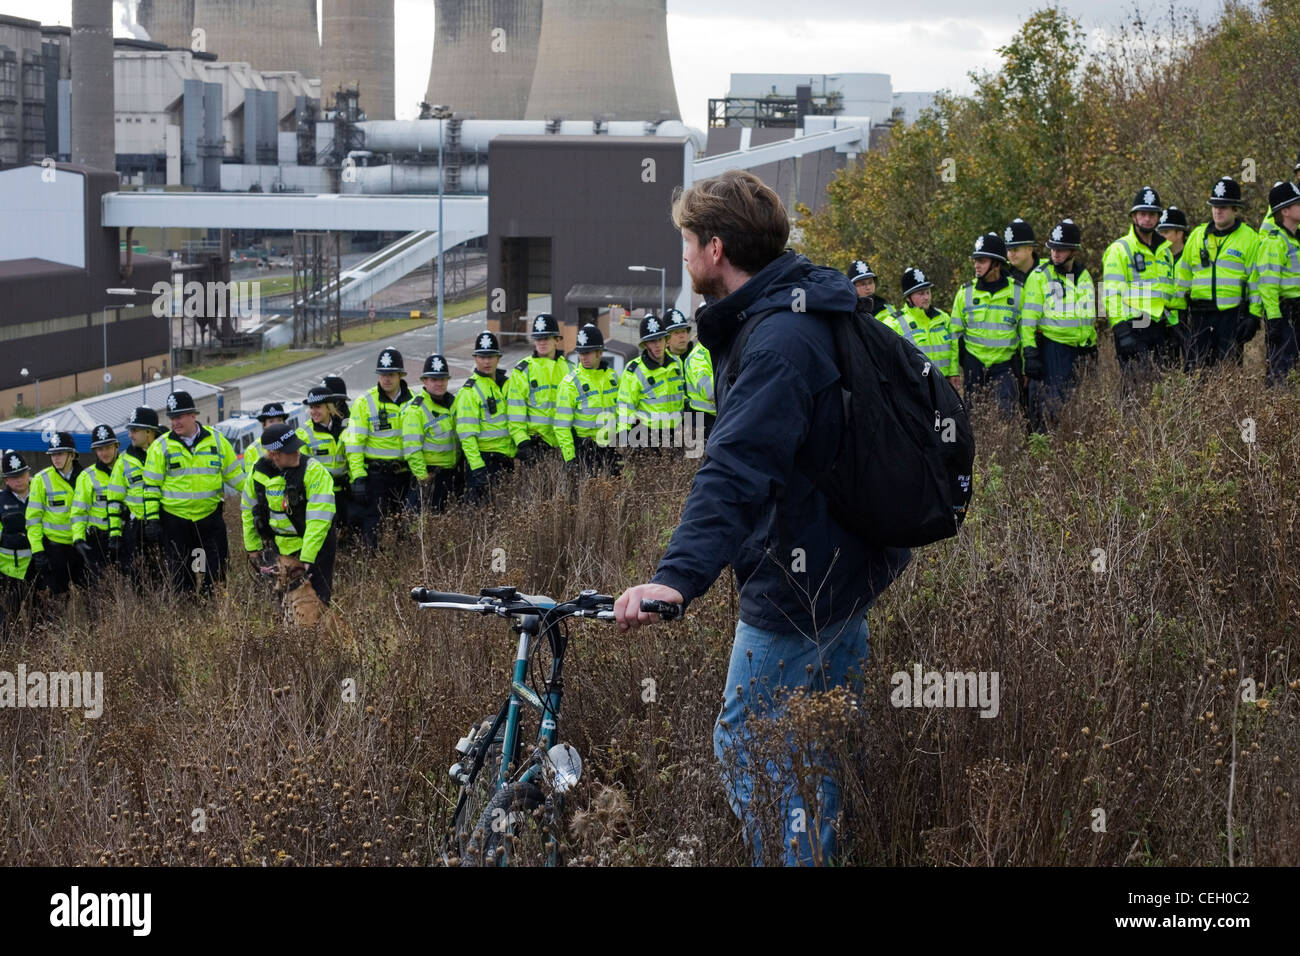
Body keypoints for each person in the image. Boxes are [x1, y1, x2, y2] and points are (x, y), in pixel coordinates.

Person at [614, 169, 908, 867]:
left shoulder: (776, 342)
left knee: (750, 741)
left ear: (716, 249)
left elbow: (737, 469)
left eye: (687, 244)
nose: (683, 260)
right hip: (844, 567)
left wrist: (675, 578)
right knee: (816, 745)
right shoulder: (802, 309)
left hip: (799, 578)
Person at [142, 391, 241, 594]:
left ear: (192, 415)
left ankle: (209, 606)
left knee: (213, 569)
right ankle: (187, 611)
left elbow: (236, 477)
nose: (175, 422)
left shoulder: (217, 441)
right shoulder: (160, 447)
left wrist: (258, 493)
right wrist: (152, 519)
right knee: (181, 574)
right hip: (176, 523)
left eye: (179, 417)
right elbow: (151, 486)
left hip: (208, 521)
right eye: (172, 418)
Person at [243, 423, 338, 615]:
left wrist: (307, 558)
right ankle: (291, 642)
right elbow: (247, 508)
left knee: (316, 604)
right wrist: (252, 547)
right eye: (290, 450)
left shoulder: (313, 471)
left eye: (297, 447)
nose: (297, 453)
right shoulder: (258, 472)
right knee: (284, 606)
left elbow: (318, 520)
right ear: (274, 454)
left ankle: (319, 643)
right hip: (280, 549)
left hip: (314, 547)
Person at [1174, 177, 1260, 369]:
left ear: (1235, 209)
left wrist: (1253, 317)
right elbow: (1183, 278)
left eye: (1224, 206)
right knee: (1195, 373)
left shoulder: (1249, 238)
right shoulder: (1197, 235)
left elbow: (1256, 282)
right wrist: (1178, 315)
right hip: (1199, 317)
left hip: (1231, 317)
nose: (1218, 210)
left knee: (1227, 373)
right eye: (1215, 206)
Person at [1024, 219, 1098, 429]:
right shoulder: (1039, 276)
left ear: (1074, 251)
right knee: (1053, 406)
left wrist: (1092, 345)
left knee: (1079, 403)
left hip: (1080, 350)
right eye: (1053, 248)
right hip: (1053, 349)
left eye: (1061, 249)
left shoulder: (1084, 276)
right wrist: (1030, 353)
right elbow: (1028, 320)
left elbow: (1087, 315)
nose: (1055, 253)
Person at [1102, 186, 1180, 383]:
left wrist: (1174, 325)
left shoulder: (1165, 251)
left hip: (1160, 328)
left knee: (1161, 390)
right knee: (1136, 390)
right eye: (1143, 214)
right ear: (1134, 216)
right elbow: (1112, 294)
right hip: (1133, 327)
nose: (1148, 219)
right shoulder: (1119, 249)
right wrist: (1121, 329)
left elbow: (1168, 292)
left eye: (1152, 214)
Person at [949, 231, 1025, 416]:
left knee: (1007, 415)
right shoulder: (965, 293)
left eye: (982, 261)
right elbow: (954, 334)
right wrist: (954, 371)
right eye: (976, 261)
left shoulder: (1017, 292)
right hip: (974, 364)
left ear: (997, 264)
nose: (976, 265)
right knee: (973, 416)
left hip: (1005, 366)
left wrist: (1025, 369)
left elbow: (1025, 333)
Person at [346, 347, 414, 548]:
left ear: (400, 375)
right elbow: (354, 442)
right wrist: (357, 476)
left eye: (391, 374)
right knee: (372, 527)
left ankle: (405, 567)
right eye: (382, 374)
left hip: (405, 475)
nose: (386, 379)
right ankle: (371, 569)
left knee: (406, 527)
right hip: (376, 478)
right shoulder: (364, 402)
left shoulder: (414, 402)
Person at [454, 331, 516, 503]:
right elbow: (467, 436)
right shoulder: (469, 392)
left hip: (505, 461)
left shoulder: (505, 385)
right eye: (482, 357)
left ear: (498, 358)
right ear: (475, 359)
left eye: (491, 356)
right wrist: (478, 468)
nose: (487, 361)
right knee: (481, 516)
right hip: (483, 462)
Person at [554, 324, 622, 476]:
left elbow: (621, 411)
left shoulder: (613, 377)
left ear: (599, 352)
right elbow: (561, 426)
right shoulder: (570, 383)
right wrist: (570, 458)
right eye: (580, 352)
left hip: (610, 448)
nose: (583, 357)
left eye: (588, 352)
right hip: (585, 451)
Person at [505, 313, 571, 466]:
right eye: (538, 339)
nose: (541, 343)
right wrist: (523, 444)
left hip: (564, 445)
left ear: (557, 340)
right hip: (534, 446)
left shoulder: (569, 369)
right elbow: (515, 413)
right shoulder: (523, 371)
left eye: (546, 338)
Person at [27, 431, 86, 596]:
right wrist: (38, 551)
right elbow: (33, 519)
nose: (55, 458)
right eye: (52, 454)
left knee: (93, 599)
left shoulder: (86, 477)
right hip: (55, 551)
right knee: (57, 602)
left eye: (60, 453)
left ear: (72, 455)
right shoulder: (41, 480)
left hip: (82, 547)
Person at [617, 314, 686, 454]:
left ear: (666, 340)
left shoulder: (676, 363)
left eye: (659, 339)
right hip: (648, 436)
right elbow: (625, 406)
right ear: (645, 344)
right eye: (652, 341)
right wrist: (624, 437)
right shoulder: (634, 370)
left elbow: (680, 397)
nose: (657, 345)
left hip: (675, 434)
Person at [1253, 180, 1300, 385]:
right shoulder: (1275, 242)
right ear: (1286, 211)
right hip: (1285, 313)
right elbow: (1268, 285)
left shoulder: (1294, 240)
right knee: (1281, 370)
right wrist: (1274, 319)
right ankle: (1275, 413)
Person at [112, 406, 165, 586]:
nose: (130, 435)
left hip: (165, 523)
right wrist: (115, 534)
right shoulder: (124, 460)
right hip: (137, 530)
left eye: (134, 430)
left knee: (169, 575)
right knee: (139, 581)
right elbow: (114, 499)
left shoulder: (166, 451)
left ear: (149, 432)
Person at [401, 354, 462, 511]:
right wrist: (423, 478)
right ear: (424, 381)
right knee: (422, 524)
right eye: (434, 380)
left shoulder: (453, 404)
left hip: (451, 474)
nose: (439, 384)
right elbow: (412, 449)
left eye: (442, 379)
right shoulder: (415, 410)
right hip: (429, 476)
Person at [881, 267, 959, 385]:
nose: (927, 297)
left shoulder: (943, 318)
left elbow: (954, 347)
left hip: (944, 383)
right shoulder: (893, 323)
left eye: (928, 292)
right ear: (908, 297)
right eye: (921, 293)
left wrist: (954, 372)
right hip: (915, 385)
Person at [71, 423, 123, 581]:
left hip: (125, 537)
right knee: (100, 590)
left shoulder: (128, 469)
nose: (104, 453)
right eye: (100, 449)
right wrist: (78, 539)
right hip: (98, 542)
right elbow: (79, 512)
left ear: (116, 446)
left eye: (107, 447)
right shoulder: (87, 477)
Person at [0, 451, 35, 638]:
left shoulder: (40, 493)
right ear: (6, 480)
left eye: (21, 475)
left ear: (28, 474)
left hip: (38, 567)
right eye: (13, 478)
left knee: (40, 617)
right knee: (8, 621)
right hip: (9, 572)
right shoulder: (1, 501)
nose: (19, 480)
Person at [663, 308, 713, 438]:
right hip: (669, 425)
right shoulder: (662, 364)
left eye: (684, 331)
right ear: (666, 339)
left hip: (700, 420)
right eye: (676, 333)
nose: (682, 336)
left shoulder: (699, 355)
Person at [1156, 206, 1190, 346]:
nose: (1161, 236)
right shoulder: (1157, 257)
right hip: (1162, 319)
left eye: (1166, 232)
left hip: (1186, 318)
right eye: (1160, 232)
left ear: (1179, 233)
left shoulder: (1191, 257)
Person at [243, 402, 289, 480]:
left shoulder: (293, 443)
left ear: (284, 423)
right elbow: (250, 481)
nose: (276, 424)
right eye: (271, 421)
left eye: (279, 420)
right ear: (264, 425)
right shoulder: (251, 450)